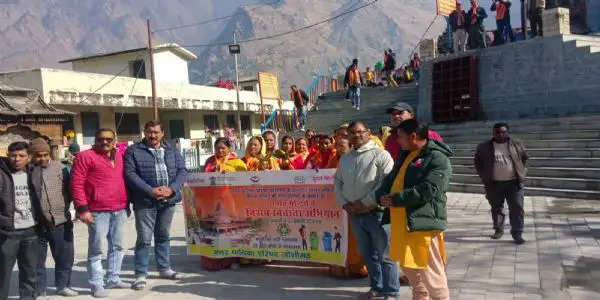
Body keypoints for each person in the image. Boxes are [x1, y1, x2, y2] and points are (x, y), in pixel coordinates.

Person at [377, 119, 453, 300]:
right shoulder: (405, 154)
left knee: (431, 274)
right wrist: (380, 194)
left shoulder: (437, 158)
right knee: (412, 272)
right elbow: (391, 179)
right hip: (401, 222)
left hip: (422, 224)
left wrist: (396, 199)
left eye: (401, 137)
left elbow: (430, 189)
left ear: (413, 136)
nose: (398, 141)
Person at [334, 121, 399, 300]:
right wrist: (344, 203)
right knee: (367, 254)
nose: (357, 136)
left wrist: (366, 203)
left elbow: (386, 183)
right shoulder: (346, 158)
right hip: (355, 214)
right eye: (352, 133)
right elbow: (338, 182)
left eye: (360, 132)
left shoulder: (381, 155)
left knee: (385, 254)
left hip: (376, 212)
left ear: (368, 132)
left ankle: (391, 291)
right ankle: (376, 287)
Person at [124, 121, 187, 290]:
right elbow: (130, 174)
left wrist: (172, 189)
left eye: (156, 132)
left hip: (168, 200)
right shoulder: (133, 151)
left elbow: (182, 171)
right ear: (144, 132)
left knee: (163, 236)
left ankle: (164, 268)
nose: (152, 135)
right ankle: (140, 274)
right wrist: (150, 191)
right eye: (149, 132)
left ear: (162, 133)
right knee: (144, 239)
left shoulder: (172, 150)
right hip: (145, 201)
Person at [71, 128, 129, 298]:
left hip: (119, 208)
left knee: (117, 247)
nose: (105, 142)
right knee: (96, 250)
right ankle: (97, 283)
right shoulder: (85, 157)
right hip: (97, 211)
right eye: (101, 139)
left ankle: (113, 277)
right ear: (95, 140)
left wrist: (127, 204)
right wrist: (82, 209)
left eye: (109, 139)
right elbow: (76, 184)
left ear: (114, 140)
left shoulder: (119, 156)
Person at [30, 138, 78, 297]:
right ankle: (39, 290)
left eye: (45, 154)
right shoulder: (26, 171)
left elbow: (72, 190)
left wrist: (74, 211)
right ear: (31, 155)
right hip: (35, 224)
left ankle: (63, 285)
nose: (42, 158)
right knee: (36, 260)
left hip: (60, 221)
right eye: (38, 155)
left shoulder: (62, 169)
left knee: (65, 256)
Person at [0, 142, 45, 300]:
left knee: (29, 274)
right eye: (13, 155)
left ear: (29, 157)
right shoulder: (2, 173)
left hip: (31, 231)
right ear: (8, 155)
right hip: (7, 233)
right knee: (3, 275)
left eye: (21, 156)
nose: (16, 159)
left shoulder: (35, 172)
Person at [474, 123, 528, 244]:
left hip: (514, 183)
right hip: (494, 184)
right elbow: (478, 162)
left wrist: (521, 171)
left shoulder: (516, 144)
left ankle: (517, 233)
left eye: (503, 132)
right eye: (497, 132)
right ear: (493, 132)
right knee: (496, 208)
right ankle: (499, 230)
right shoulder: (484, 147)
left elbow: (524, 158)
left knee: (517, 208)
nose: (500, 134)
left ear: (507, 132)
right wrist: (484, 176)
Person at [201, 138, 247, 270]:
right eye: (217, 148)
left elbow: (244, 181)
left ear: (229, 148)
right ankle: (214, 261)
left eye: (223, 148)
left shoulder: (237, 162)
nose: (220, 151)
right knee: (214, 230)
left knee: (229, 229)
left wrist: (230, 175)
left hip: (231, 200)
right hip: (212, 200)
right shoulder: (210, 161)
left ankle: (232, 259)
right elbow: (203, 178)